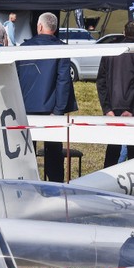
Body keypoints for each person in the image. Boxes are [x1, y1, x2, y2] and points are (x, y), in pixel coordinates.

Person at [16, 12, 77, 183]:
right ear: (55, 28)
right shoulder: (61, 48)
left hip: (25, 107)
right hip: (52, 109)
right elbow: (64, 80)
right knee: (53, 152)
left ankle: (26, 183)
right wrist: (58, 110)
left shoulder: (23, 47)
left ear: (40, 26)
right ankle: (56, 185)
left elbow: (16, 77)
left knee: (27, 151)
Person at [96, 20, 134, 167]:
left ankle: (107, 181)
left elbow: (101, 81)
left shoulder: (111, 50)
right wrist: (133, 110)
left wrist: (107, 108)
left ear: (124, 31)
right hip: (133, 107)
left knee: (113, 150)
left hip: (113, 106)